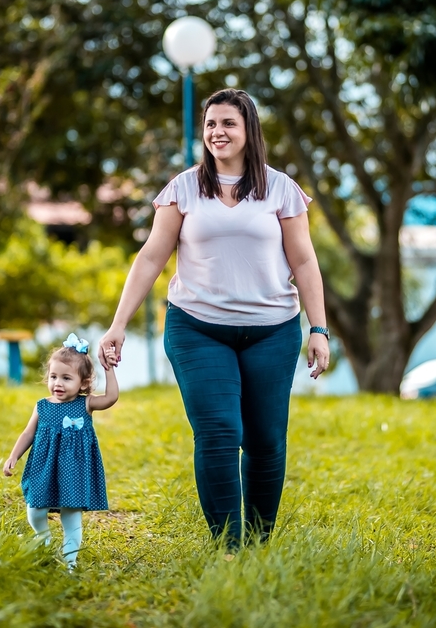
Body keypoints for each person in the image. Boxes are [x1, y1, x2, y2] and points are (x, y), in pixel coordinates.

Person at [97, 88, 330, 549]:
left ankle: (258, 545)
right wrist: (118, 323)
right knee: (220, 432)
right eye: (210, 124)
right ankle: (229, 546)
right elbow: (150, 258)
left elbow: (304, 262)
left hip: (273, 331)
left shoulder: (280, 188)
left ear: (249, 131)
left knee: (265, 442)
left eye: (228, 123)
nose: (217, 132)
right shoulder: (184, 188)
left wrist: (318, 329)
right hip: (197, 329)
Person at [3, 333, 119, 569]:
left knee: (70, 515)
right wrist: (14, 455)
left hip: (73, 471)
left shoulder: (85, 404)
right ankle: (42, 538)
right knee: (35, 508)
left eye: (67, 378)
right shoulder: (42, 405)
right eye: (54, 376)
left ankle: (70, 562)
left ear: (83, 383)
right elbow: (27, 434)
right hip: (43, 467)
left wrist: (109, 368)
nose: (58, 383)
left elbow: (111, 397)